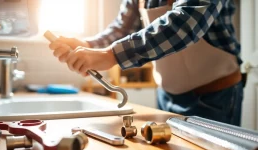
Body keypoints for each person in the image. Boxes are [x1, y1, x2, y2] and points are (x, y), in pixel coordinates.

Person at [48, 0, 243, 126]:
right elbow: (121, 29)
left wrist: (110, 55)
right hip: (166, 95)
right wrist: (87, 45)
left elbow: (185, 23)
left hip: (215, 97)